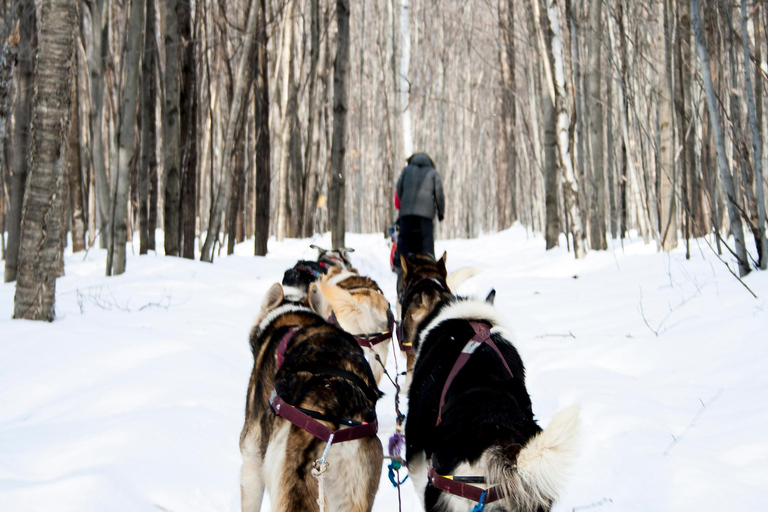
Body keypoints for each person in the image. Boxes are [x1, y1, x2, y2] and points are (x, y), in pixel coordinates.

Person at [393, 153, 445, 268]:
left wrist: (404, 203)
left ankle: (400, 266)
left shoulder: (406, 170)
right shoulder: (433, 173)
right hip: (425, 215)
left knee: (404, 240)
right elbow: (439, 194)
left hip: (407, 213)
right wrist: (440, 213)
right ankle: (429, 266)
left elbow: (399, 189)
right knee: (427, 241)